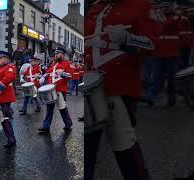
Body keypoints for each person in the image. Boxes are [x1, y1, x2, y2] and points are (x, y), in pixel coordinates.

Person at [84, 0, 161, 179]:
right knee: (87, 150)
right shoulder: (95, 7)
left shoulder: (141, 5)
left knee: (124, 147)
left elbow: (155, 45)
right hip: (89, 87)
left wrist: (128, 38)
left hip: (118, 86)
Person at [38, 47, 73, 133]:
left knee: (62, 108)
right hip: (51, 89)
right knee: (49, 108)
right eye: (55, 54)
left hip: (60, 90)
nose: (56, 55)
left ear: (63, 54)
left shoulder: (67, 63)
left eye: (58, 53)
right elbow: (48, 72)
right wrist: (43, 76)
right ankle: (46, 126)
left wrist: (63, 73)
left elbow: (70, 75)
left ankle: (68, 123)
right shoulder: (53, 64)